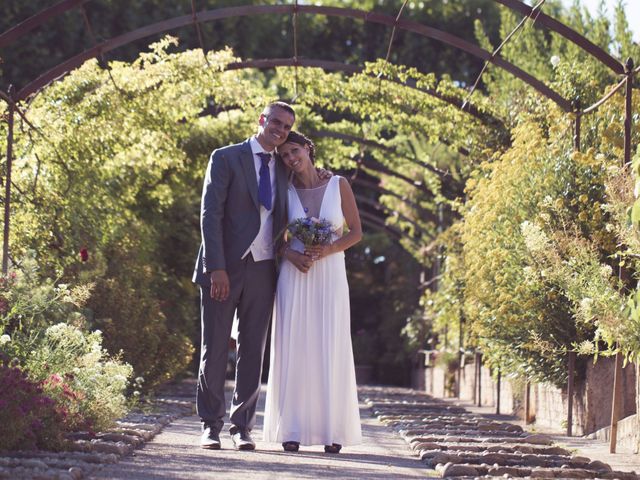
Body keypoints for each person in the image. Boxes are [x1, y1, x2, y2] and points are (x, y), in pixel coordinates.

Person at [192, 101, 301, 451]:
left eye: (286, 127)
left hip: (264, 268)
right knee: (215, 346)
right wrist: (216, 267)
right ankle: (210, 425)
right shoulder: (225, 157)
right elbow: (210, 214)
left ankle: (242, 427)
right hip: (225, 266)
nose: (280, 130)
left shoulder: (285, 167)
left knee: (253, 348)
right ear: (262, 120)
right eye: (276, 123)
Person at [263, 131, 363, 453]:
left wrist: (328, 249)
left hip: (330, 275)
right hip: (295, 275)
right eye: (285, 156)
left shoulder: (339, 185)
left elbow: (356, 232)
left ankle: (332, 431)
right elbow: (271, 238)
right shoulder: (284, 190)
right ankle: (291, 429)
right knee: (296, 345)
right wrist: (290, 254)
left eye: (294, 151)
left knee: (329, 344)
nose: (291, 158)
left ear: (307, 148)